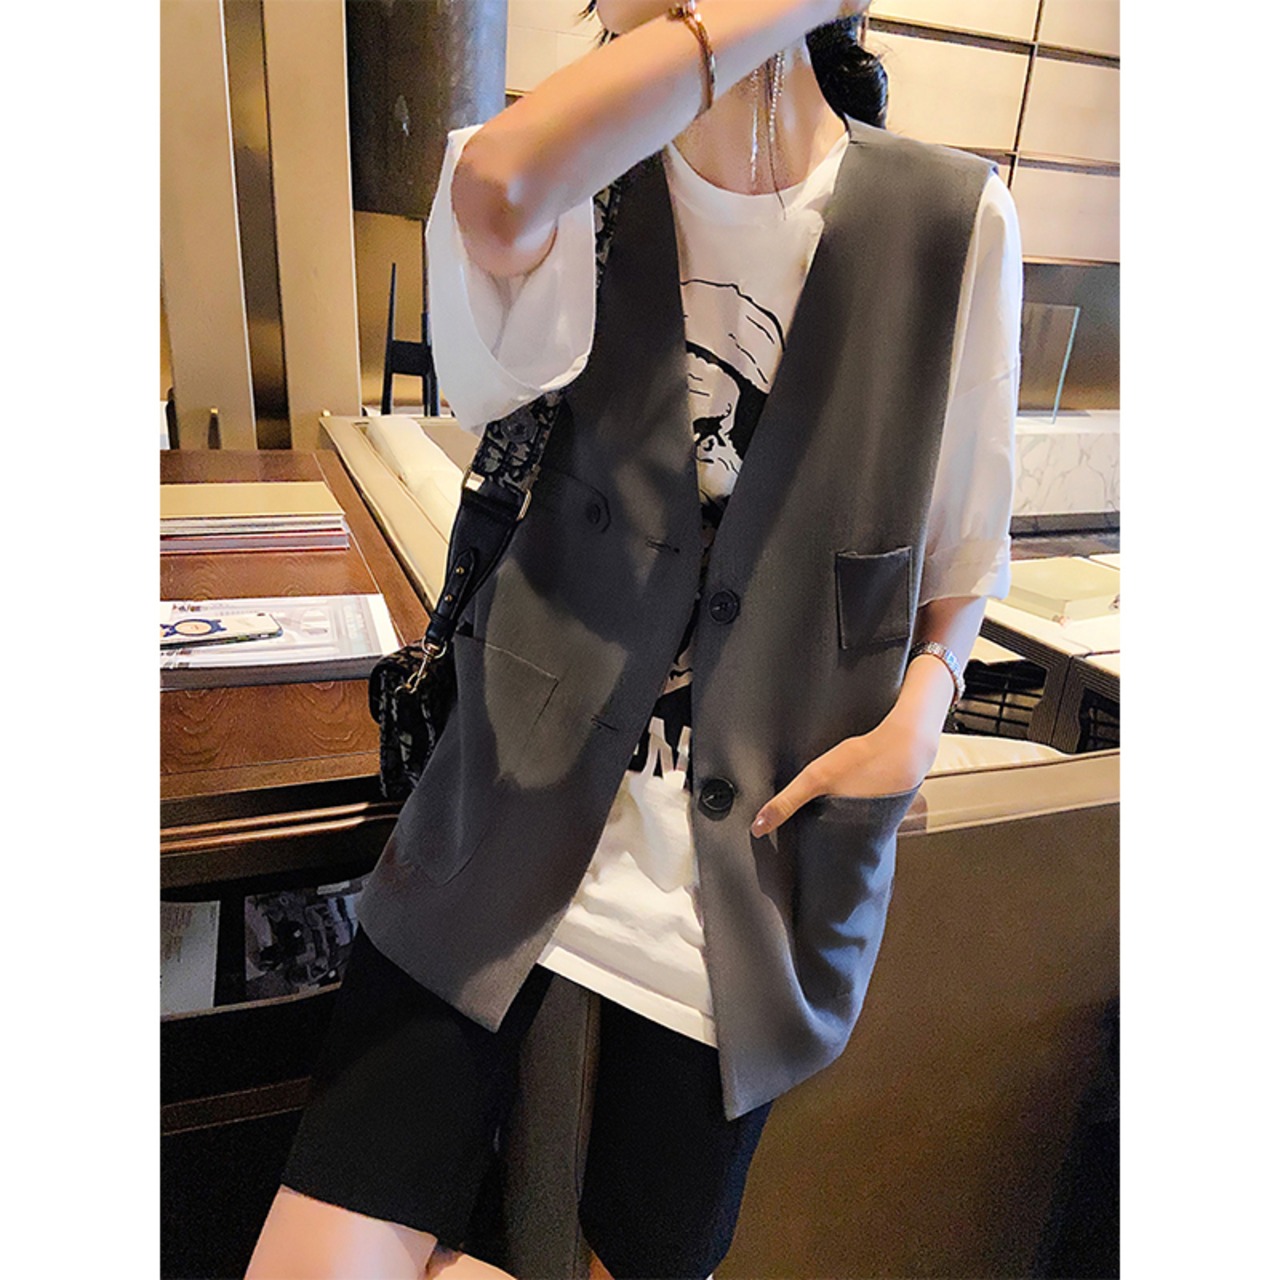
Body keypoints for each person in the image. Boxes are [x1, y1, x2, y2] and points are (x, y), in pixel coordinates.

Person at [247, 1, 1021, 1276]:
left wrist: (922, 712)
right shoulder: (568, 169)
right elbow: (497, 189)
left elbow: (963, 546)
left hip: (750, 866)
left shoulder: (951, 219)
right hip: (508, 807)